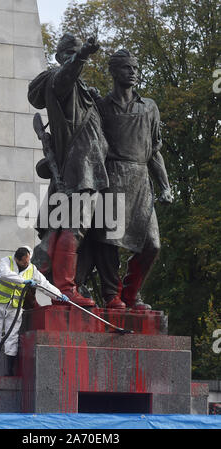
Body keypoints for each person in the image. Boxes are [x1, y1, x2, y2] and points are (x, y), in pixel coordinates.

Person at [28, 33, 109, 308]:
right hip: (80, 168)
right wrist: (83, 53)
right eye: (72, 54)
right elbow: (66, 75)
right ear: (63, 57)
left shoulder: (83, 90)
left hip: (89, 168)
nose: (78, 60)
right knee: (74, 228)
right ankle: (65, 288)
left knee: (60, 228)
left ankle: (31, 287)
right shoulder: (60, 82)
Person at [91, 49, 173, 310]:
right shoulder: (101, 107)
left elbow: (154, 152)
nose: (133, 72)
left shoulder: (149, 106)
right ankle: (111, 295)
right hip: (112, 176)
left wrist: (166, 186)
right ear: (114, 72)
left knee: (152, 244)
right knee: (109, 241)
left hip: (140, 179)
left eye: (136, 68)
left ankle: (131, 292)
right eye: (127, 68)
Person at [0, 246, 69, 376]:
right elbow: (4, 274)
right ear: (17, 259)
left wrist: (58, 295)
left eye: (28, 260)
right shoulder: (6, 262)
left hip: (15, 307)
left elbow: (44, 284)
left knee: (12, 337)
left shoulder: (32, 269)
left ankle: (9, 371)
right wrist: (24, 281)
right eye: (24, 262)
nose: (27, 264)